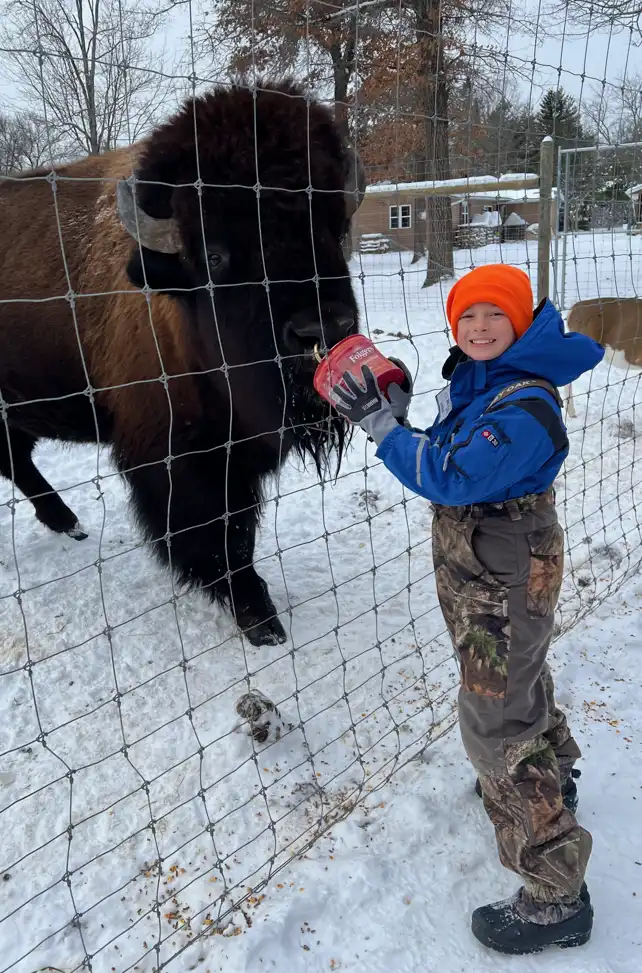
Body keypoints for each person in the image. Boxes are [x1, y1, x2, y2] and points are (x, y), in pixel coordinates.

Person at [331, 264, 605, 956]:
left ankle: (554, 889)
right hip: (492, 565)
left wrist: (382, 430)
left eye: (494, 316)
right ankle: (550, 775)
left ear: (519, 323)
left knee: (494, 710)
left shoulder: (525, 403)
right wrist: (400, 420)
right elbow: (450, 448)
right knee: (518, 673)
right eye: (466, 318)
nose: (479, 328)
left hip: (501, 562)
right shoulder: (481, 380)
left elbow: (452, 474)